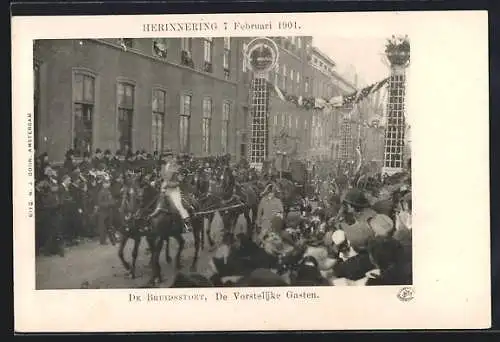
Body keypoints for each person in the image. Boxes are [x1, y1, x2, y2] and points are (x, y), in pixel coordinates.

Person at [158, 152, 193, 233]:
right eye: (166, 157)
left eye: (169, 157)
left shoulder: (176, 167)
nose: (167, 159)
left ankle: (187, 223)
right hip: (164, 189)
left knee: (178, 205)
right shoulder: (163, 167)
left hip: (174, 190)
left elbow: (179, 180)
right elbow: (163, 178)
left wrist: (170, 184)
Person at [95, 177, 117, 245]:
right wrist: (108, 204)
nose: (109, 184)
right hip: (103, 212)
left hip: (109, 211)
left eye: (109, 183)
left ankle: (113, 239)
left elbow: (111, 199)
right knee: (102, 227)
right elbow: (99, 203)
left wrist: (113, 202)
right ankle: (102, 241)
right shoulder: (101, 192)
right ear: (103, 184)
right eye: (107, 183)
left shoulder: (108, 191)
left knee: (110, 226)